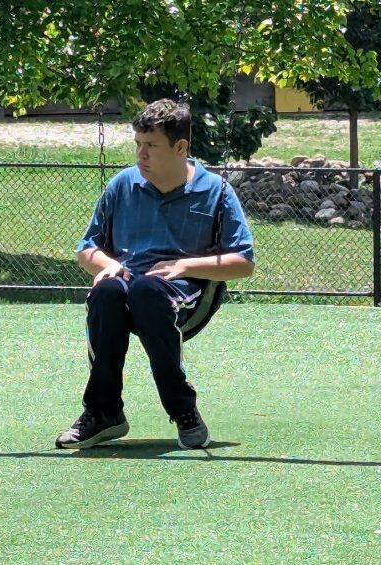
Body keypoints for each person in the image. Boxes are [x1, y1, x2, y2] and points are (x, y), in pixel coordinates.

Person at [55, 98, 255, 450]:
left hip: (185, 298)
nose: (141, 155)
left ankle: (183, 410)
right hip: (127, 287)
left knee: (147, 289)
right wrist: (107, 264)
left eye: (151, 146)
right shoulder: (122, 185)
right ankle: (104, 413)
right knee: (107, 292)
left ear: (180, 148)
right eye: (137, 145)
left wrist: (187, 265)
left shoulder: (215, 191)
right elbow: (86, 248)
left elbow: (244, 262)